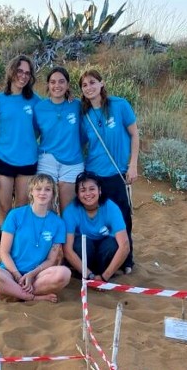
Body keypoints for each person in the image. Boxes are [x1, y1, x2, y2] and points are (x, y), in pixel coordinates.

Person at [79, 69, 140, 273]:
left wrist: (133, 165)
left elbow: (134, 135)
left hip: (117, 172)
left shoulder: (119, 105)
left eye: (92, 82)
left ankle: (127, 260)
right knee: (98, 218)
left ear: (102, 83)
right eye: (85, 85)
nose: (89, 87)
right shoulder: (84, 115)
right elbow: (79, 143)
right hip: (94, 174)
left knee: (123, 217)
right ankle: (105, 258)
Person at [0, 174, 71, 302]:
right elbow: (4, 252)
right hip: (10, 272)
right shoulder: (15, 215)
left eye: (47, 189)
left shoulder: (58, 223)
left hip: (37, 275)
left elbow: (51, 260)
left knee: (64, 274)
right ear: (31, 192)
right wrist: (17, 275)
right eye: (38, 189)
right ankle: (30, 296)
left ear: (53, 194)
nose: (42, 193)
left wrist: (31, 274)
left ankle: (13, 291)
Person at [0, 55, 39, 227]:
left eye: (27, 73)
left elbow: (43, 125)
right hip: (3, 160)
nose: (23, 76)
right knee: (4, 208)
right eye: (20, 71)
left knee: (23, 207)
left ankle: (18, 249)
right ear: (11, 72)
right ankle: (5, 249)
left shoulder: (36, 101)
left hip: (28, 160)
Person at [63, 172, 130, 282]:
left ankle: (103, 273)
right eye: (83, 190)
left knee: (112, 245)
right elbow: (67, 250)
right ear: (78, 194)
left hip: (104, 251)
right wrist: (90, 275)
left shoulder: (111, 207)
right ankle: (84, 274)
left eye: (92, 189)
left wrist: (104, 277)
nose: (88, 194)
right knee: (80, 244)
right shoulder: (71, 211)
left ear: (99, 190)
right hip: (85, 253)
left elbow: (125, 245)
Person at [34, 67, 83, 213]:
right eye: (53, 82)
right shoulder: (39, 107)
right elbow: (33, 135)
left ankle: (68, 237)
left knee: (68, 211)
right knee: (48, 210)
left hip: (73, 163)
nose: (57, 86)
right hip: (47, 161)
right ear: (48, 85)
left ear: (68, 85)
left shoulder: (77, 105)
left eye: (62, 82)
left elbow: (86, 132)